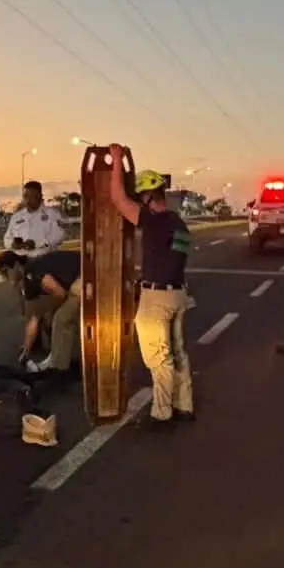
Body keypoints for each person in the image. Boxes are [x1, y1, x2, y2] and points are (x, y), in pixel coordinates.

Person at [106, 145, 193, 428]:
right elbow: (167, 256)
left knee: (159, 358)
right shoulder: (178, 223)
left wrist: (117, 160)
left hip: (157, 299)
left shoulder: (154, 222)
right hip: (178, 293)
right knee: (178, 353)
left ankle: (162, 413)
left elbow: (118, 200)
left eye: (140, 196)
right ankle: (184, 405)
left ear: (147, 197)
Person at [0, 249, 81, 374]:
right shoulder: (28, 282)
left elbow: (60, 293)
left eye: (6, 272)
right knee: (58, 317)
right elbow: (33, 318)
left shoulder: (34, 270)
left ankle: (60, 368)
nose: (5, 277)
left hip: (84, 275)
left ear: (16, 265)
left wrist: (49, 309)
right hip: (73, 283)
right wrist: (26, 350)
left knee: (62, 319)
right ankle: (59, 360)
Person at [5, 180, 65, 259]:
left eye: (32, 196)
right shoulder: (16, 217)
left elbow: (59, 236)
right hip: (21, 261)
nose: (28, 200)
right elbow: (7, 238)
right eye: (26, 196)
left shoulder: (52, 214)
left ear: (40, 196)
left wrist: (37, 243)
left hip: (44, 258)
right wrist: (13, 244)